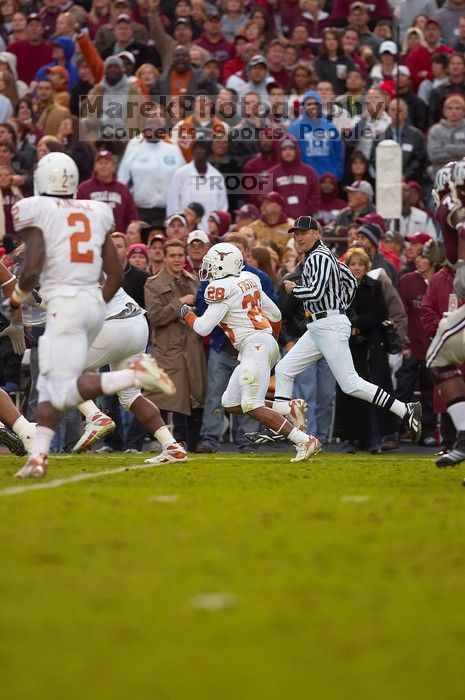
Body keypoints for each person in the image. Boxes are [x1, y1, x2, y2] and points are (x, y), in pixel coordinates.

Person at [4, 152, 175, 478]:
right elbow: (115, 274)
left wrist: (17, 296)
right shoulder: (94, 213)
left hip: (83, 310)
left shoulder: (40, 213)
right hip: (120, 312)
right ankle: (170, 444)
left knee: (56, 381)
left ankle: (94, 416)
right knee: (76, 387)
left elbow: (32, 267)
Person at [247, 215, 422, 449]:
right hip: (322, 323)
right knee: (285, 369)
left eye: (303, 233)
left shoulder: (318, 257)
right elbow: (350, 279)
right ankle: (282, 425)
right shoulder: (326, 256)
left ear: (316, 234)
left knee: (350, 383)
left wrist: (294, 288)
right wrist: (340, 305)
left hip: (328, 323)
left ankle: (405, 409)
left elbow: (317, 293)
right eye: (296, 234)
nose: (298, 238)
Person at [180, 241, 320, 462]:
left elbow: (203, 327)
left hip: (254, 346)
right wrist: (268, 340)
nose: (207, 269)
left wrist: (186, 313)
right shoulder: (250, 279)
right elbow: (274, 313)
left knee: (250, 404)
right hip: (259, 344)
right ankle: (287, 407)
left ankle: (303, 440)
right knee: (231, 403)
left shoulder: (221, 289)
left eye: (211, 264)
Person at [71, 284, 187, 465]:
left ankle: (95, 416)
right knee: (131, 396)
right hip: (137, 323)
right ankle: (171, 446)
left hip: (113, 326)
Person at [144, 238, 207, 452]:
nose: (177, 259)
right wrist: (180, 302)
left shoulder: (193, 280)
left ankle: (193, 443)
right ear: (164, 256)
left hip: (193, 346)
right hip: (168, 347)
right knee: (166, 396)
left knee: (197, 396)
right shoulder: (153, 283)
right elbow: (155, 317)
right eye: (172, 255)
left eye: (180, 255)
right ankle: (164, 441)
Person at [333, 246, 397, 454]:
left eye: (361, 264)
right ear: (347, 266)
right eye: (353, 264)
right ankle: (350, 438)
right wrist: (351, 325)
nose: (357, 268)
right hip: (348, 344)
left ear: (366, 266)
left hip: (371, 344)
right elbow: (336, 310)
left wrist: (358, 323)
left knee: (374, 389)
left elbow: (381, 312)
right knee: (349, 391)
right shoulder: (340, 287)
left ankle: (374, 437)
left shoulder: (374, 285)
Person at [166, 138, 228, 228]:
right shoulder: (181, 173)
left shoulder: (217, 176)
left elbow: (222, 206)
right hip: (186, 228)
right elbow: (173, 201)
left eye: (202, 149)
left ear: (208, 152)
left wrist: (215, 225)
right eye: (196, 148)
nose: (198, 151)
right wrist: (178, 224)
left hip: (209, 228)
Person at [78, 149, 138, 232]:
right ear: (95, 166)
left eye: (106, 163)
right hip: (92, 235)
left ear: (113, 167)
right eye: (100, 163)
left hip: (117, 237)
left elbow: (131, 215)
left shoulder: (123, 189)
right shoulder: (84, 188)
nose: (103, 166)